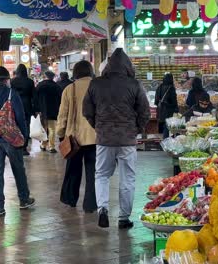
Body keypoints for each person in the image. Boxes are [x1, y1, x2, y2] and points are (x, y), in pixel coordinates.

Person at [83, 48, 150, 229]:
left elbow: (87, 110)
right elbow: (145, 111)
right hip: (127, 139)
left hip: (104, 138)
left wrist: (98, 127)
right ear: (128, 66)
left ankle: (102, 209)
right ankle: (123, 218)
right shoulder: (134, 84)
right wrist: (136, 129)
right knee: (127, 177)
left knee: (102, 175)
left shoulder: (96, 84)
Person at [0, 66, 35, 217]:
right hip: (11, 138)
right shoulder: (11, 93)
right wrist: (23, 136)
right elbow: (21, 117)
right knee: (18, 169)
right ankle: (24, 199)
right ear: (6, 80)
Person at [57, 61, 97, 213]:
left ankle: (70, 199)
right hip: (95, 136)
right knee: (93, 171)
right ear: (90, 71)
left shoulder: (69, 89)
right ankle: (91, 204)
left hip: (74, 137)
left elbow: (63, 115)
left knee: (73, 169)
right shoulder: (97, 86)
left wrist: (61, 133)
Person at [11, 64, 36, 156]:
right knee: (26, 126)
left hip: (15, 105)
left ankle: (16, 145)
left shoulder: (13, 81)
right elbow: (34, 96)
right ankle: (24, 147)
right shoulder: (30, 81)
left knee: (16, 125)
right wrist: (35, 109)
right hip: (27, 105)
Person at [35, 71, 62, 153]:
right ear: (53, 77)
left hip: (42, 110)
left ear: (45, 76)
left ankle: (43, 145)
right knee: (52, 129)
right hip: (53, 110)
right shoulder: (56, 86)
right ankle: (51, 147)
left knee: (43, 128)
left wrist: (37, 109)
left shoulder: (40, 85)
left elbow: (35, 98)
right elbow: (60, 99)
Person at [154, 73, 179, 139]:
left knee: (162, 125)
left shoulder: (159, 87)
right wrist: (176, 108)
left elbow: (156, 101)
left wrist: (160, 105)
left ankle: (161, 140)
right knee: (167, 126)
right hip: (169, 110)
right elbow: (174, 102)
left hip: (160, 110)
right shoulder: (171, 88)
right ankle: (165, 140)